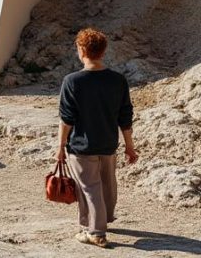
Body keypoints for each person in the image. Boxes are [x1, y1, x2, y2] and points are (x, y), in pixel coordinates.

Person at [57, 28, 136, 248]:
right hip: (109, 143)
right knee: (107, 185)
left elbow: (67, 118)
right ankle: (103, 219)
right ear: (103, 51)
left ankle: (96, 231)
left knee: (89, 188)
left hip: (82, 147)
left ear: (81, 50)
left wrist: (61, 146)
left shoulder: (72, 81)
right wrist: (130, 146)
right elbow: (125, 116)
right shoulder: (118, 80)